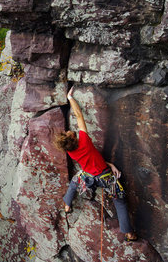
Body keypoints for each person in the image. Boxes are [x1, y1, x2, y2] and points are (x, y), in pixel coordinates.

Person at [55, 87, 137, 241]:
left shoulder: (71, 151)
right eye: (68, 133)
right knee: (119, 201)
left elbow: (93, 160)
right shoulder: (84, 141)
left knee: (74, 183)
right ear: (73, 138)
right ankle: (128, 233)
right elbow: (79, 116)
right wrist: (70, 97)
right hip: (105, 177)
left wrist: (109, 164)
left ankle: (67, 205)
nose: (69, 131)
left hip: (88, 177)